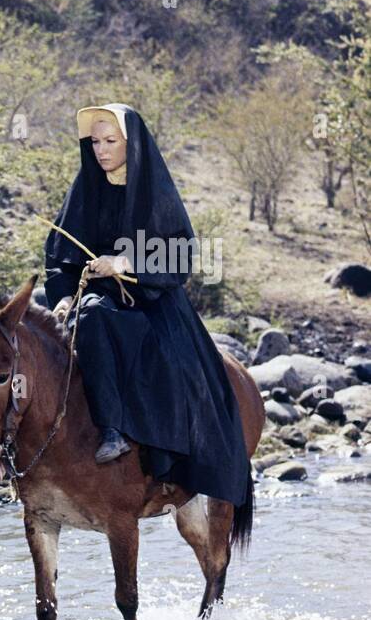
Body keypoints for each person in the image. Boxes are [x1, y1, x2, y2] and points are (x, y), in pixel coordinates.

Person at [44, 103, 250, 506]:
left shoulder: (154, 189)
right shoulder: (85, 186)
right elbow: (60, 256)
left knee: (167, 362)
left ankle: (127, 438)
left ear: (131, 143)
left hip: (154, 298)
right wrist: (64, 296)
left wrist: (124, 262)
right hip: (93, 295)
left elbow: (182, 255)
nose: (101, 150)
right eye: (95, 141)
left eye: (111, 141)